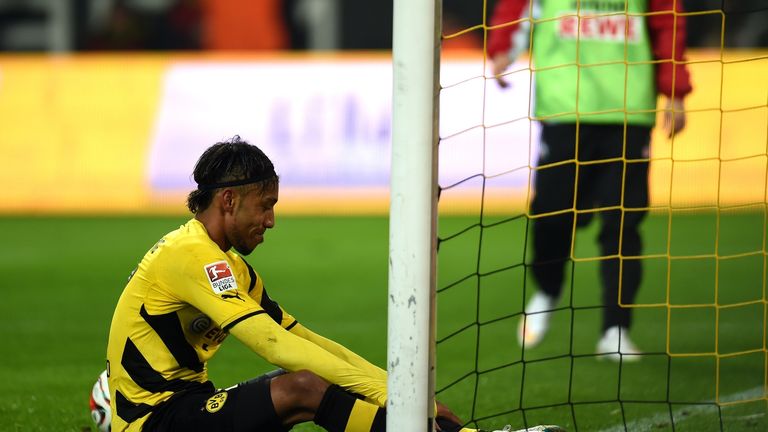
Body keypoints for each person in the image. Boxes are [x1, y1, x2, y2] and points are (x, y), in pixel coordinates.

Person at [104, 137, 562, 432]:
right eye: (265, 206)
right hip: (152, 420)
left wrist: (397, 390)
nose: (271, 220)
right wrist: (395, 397)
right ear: (228, 200)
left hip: (189, 406)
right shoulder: (190, 256)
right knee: (300, 387)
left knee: (307, 386)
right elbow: (275, 345)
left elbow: (301, 336)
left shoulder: (232, 267)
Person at [487, 0, 692, 360]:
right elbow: (517, 7)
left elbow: (666, 23)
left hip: (628, 111)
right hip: (563, 108)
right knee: (552, 215)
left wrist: (675, 90)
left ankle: (616, 329)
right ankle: (548, 289)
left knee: (623, 225)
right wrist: (503, 49)